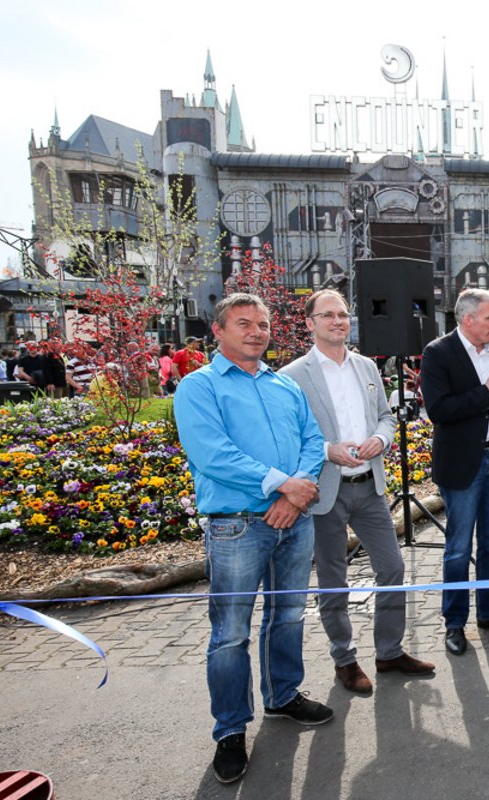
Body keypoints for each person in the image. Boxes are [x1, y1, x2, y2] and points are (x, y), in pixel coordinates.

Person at [173, 293, 331, 786]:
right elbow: (212, 453)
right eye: (244, 323)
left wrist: (297, 494)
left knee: (288, 615)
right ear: (218, 331)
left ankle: (282, 696)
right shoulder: (199, 387)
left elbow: (312, 441)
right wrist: (282, 485)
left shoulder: (284, 386)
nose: (257, 331)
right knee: (231, 634)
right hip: (236, 526)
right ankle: (230, 729)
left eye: (262, 324)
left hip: (294, 520)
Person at [281, 289, 435, 695]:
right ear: (310, 323)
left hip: (369, 488)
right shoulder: (292, 376)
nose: (338, 321)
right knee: (333, 579)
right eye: (328, 315)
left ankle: (389, 652)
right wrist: (327, 451)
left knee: (393, 568)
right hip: (324, 493)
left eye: (343, 314)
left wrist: (380, 440)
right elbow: (288, 437)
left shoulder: (367, 366)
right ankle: (344, 659)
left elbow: (385, 417)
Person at [419, 288, 489, 657]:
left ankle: (488, 612)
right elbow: (438, 410)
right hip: (464, 462)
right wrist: (485, 393)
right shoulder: (438, 353)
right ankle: (454, 623)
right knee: (458, 548)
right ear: (468, 320)